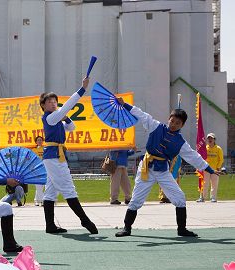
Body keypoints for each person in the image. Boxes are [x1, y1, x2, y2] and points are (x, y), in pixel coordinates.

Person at [114, 98, 220, 238]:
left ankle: (181, 229)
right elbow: (141, 114)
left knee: (180, 198)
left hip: (163, 171)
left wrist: (210, 170)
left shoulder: (180, 142)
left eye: (178, 123)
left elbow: (193, 156)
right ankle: (127, 228)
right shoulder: (155, 126)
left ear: (182, 125)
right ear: (168, 119)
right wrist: (124, 104)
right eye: (172, 121)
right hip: (146, 169)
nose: (174, 125)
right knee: (136, 199)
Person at [40, 77, 98, 235]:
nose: (53, 103)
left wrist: (66, 117)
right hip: (53, 157)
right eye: (50, 102)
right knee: (68, 189)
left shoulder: (56, 120)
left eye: (55, 101)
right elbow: (66, 107)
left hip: (55, 156)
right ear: (43, 106)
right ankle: (84, 220)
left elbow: (71, 127)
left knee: (50, 192)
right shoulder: (50, 118)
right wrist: (82, 89)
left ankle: (50, 225)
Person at [197, 133, 223, 202]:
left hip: (215, 169)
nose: (210, 140)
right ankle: (202, 197)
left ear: (214, 139)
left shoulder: (218, 148)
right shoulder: (205, 148)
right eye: (208, 138)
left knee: (214, 184)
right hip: (206, 169)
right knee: (205, 183)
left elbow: (221, 159)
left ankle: (213, 197)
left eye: (211, 138)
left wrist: (218, 167)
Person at [32, 136, 45, 206]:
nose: (40, 141)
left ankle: (36, 200)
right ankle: (42, 201)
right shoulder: (33, 150)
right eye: (38, 140)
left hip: (44, 169)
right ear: (36, 142)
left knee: (41, 186)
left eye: (41, 140)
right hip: (36, 169)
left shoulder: (45, 149)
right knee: (38, 186)